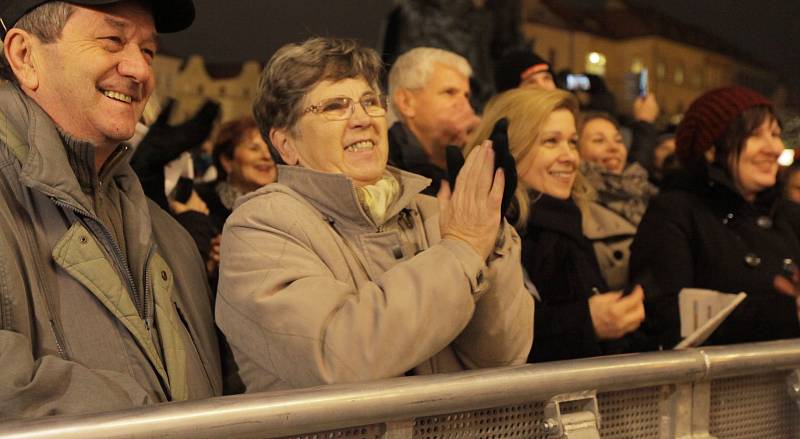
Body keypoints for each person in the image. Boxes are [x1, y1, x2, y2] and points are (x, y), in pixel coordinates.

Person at [215, 37, 532, 391]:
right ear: (286, 143)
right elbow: (341, 357)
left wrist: (491, 239)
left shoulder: (434, 211)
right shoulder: (260, 226)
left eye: (370, 102)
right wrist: (461, 250)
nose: (362, 119)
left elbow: (503, 357)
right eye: (336, 106)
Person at [0, 0, 222, 418]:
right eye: (112, 40)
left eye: (148, 51)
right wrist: (153, 423)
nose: (139, 70)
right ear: (24, 56)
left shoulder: (170, 237)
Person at [465, 88, 644, 363]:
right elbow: (494, 340)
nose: (570, 157)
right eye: (551, 142)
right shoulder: (489, 229)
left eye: (572, 142)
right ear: (512, 149)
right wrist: (587, 321)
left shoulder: (567, 217)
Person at [630, 86, 800, 350]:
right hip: (719, 386)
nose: (775, 148)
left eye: (776, 134)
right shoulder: (676, 212)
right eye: (756, 135)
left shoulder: (787, 214)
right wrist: (786, 313)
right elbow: (663, 315)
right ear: (711, 149)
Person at [577, 113, 657, 289]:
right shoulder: (578, 205)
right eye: (599, 140)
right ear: (576, 150)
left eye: (618, 140)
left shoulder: (647, 192)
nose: (614, 147)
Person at [387, 47, 480, 195]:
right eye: (449, 92)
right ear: (406, 102)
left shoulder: (471, 156)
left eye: (466, 96)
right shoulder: (384, 163)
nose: (466, 106)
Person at [195, 116, 276, 283]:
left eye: (270, 148)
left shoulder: (288, 207)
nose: (266, 156)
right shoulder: (200, 203)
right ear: (227, 161)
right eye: (254, 149)